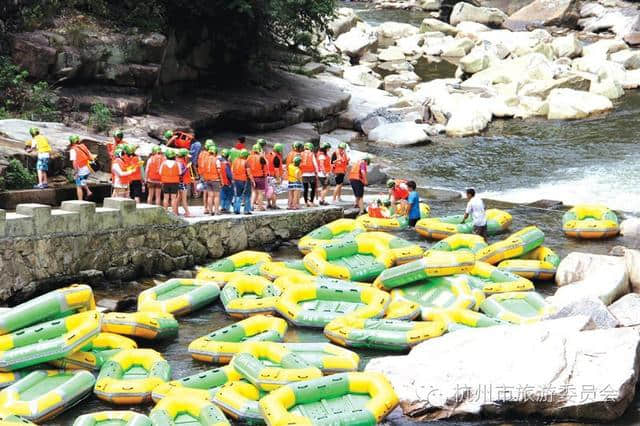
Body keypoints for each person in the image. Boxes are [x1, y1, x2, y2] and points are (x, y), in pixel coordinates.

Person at [68, 135, 94, 200]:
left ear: (71, 142)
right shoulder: (83, 146)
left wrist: (76, 172)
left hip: (82, 168)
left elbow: (74, 162)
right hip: (88, 167)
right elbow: (90, 155)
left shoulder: (73, 150)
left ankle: (80, 201)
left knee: (78, 185)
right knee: (82, 181)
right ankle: (88, 192)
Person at [159, 149, 183, 214]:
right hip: (174, 182)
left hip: (165, 182)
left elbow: (160, 172)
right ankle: (174, 213)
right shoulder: (177, 163)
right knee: (173, 198)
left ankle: (165, 213)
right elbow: (180, 173)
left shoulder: (163, 163)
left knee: (165, 198)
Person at [200, 145, 221, 216]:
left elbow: (203, 169)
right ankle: (216, 211)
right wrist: (221, 180)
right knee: (216, 196)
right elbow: (219, 171)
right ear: (215, 152)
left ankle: (210, 211)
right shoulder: (216, 160)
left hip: (207, 180)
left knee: (210, 196)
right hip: (215, 180)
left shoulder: (205, 160)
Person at [232, 149, 252, 215]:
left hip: (236, 180)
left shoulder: (235, 161)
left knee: (238, 195)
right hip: (245, 180)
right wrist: (252, 180)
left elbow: (232, 170)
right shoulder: (246, 162)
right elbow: (249, 173)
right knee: (247, 195)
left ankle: (236, 210)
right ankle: (247, 210)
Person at [247, 144, 266, 211]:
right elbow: (266, 164)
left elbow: (247, 167)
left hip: (252, 177)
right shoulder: (261, 157)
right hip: (260, 177)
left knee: (253, 192)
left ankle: (251, 206)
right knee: (260, 193)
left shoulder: (249, 157)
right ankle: (260, 207)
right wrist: (263, 156)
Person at [266, 143, 284, 209]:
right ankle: (274, 204)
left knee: (268, 190)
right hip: (273, 176)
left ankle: (268, 204)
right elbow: (276, 169)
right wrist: (278, 178)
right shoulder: (276, 157)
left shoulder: (268, 155)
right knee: (274, 191)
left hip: (267, 175)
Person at [300, 142, 318, 207]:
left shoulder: (301, 154)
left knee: (305, 189)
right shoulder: (312, 154)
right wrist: (317, 172)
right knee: (313, 188)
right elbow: (315, 163)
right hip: (311, 174)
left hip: (303, 174)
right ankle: (312, 201)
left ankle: (306, 202)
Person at [176, 149, 192, 217]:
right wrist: (187, 167)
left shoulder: (179, 161)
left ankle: (175, 211)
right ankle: (187, 212)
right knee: (184, 199)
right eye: (186, 156)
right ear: (183, 156)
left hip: (180, 182)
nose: (188, 157)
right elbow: (181, 173)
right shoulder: (180, 162)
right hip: (182, 182)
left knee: (179, 197)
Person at [219, 149, 234, 213]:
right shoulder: (226, 164)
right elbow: (229, 174)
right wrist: (232, 180)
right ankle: (226, 208)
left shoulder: (219, 163)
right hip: (227, 182)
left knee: (223, 195)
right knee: (229, 195)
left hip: (221, 182)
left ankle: (222, 207)